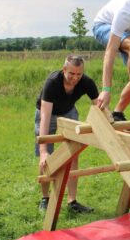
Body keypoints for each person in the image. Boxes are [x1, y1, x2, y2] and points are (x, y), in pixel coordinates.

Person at [35, 55, 99, 213]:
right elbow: (45, 116)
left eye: (79, 74)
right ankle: (45, 198)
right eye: (71, 73)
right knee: (46, 158)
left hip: (69, 112)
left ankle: (72, 202)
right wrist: (43, 151)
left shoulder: (87, 82)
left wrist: (107, 124)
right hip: (48, 114)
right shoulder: (52, 83)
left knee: (74, 154)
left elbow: (99, 106)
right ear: (64, 70)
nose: (75, 78)